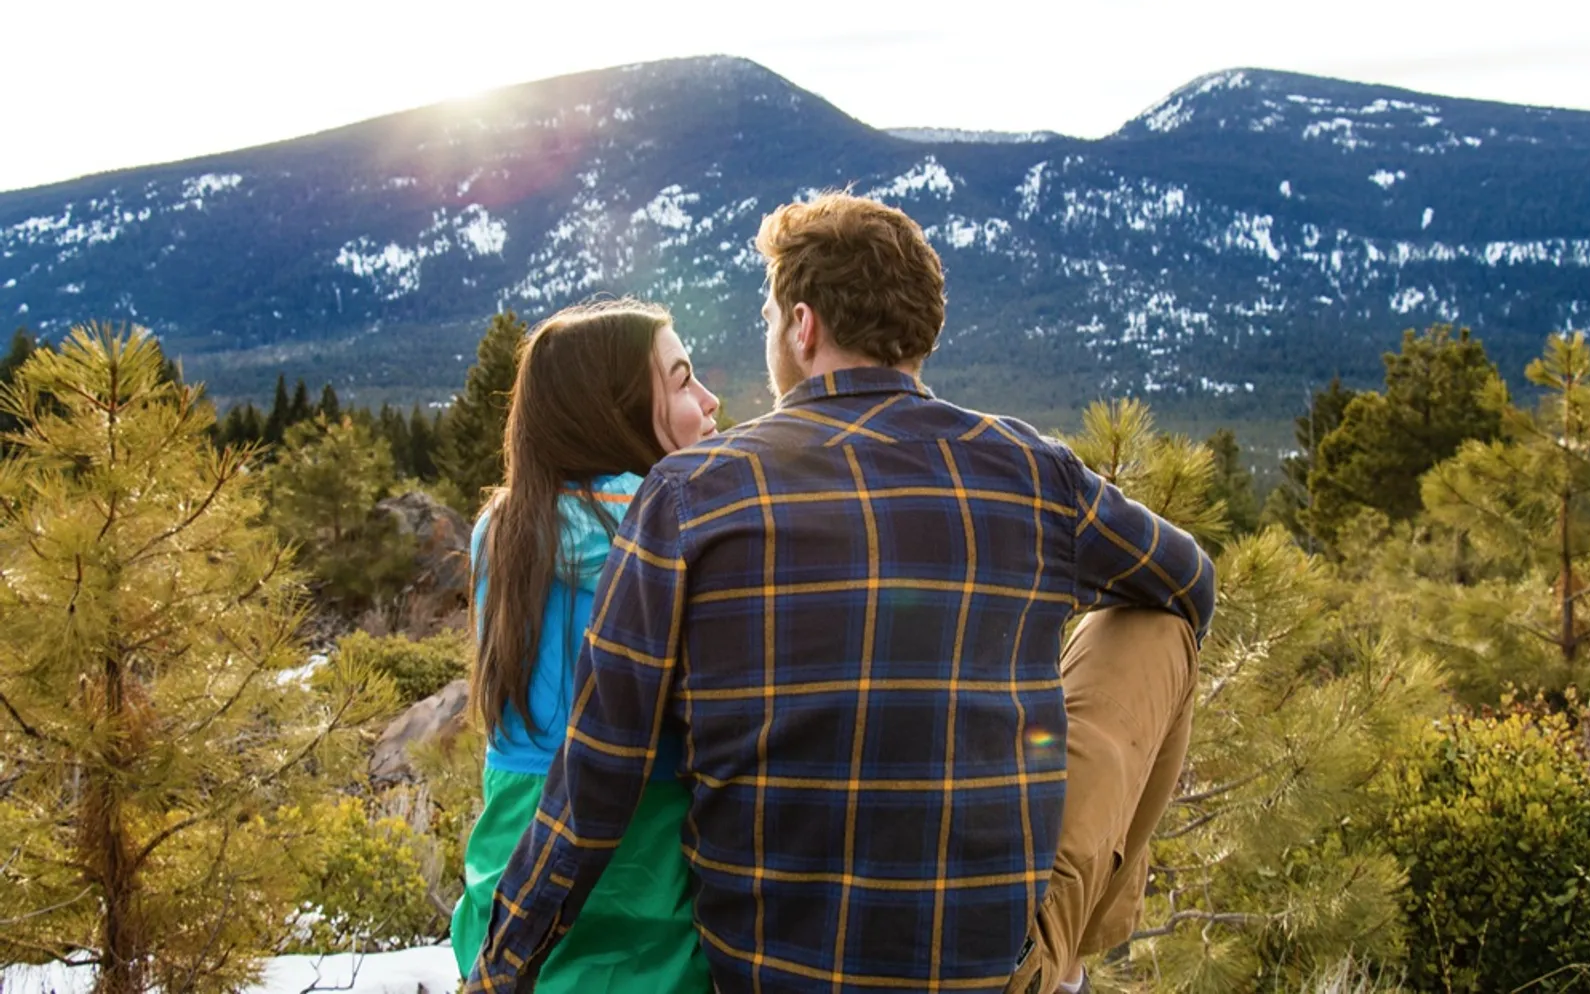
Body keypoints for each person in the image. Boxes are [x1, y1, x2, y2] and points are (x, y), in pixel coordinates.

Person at [466, 193, 1215, 994]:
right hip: (988, 977)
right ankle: (1074, 947)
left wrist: (498, 971)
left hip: (770, 978)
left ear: (802, 325)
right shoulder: (1035, 472)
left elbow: (596, 776)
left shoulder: (690, 494)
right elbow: (1189, 584)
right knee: (1157, 623)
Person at [451, 297, 721, 994]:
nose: (710, 398)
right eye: (684, 379)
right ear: (620, 407)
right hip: (647, 847)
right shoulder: (677, 531)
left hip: (514, 842)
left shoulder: (503, 530)